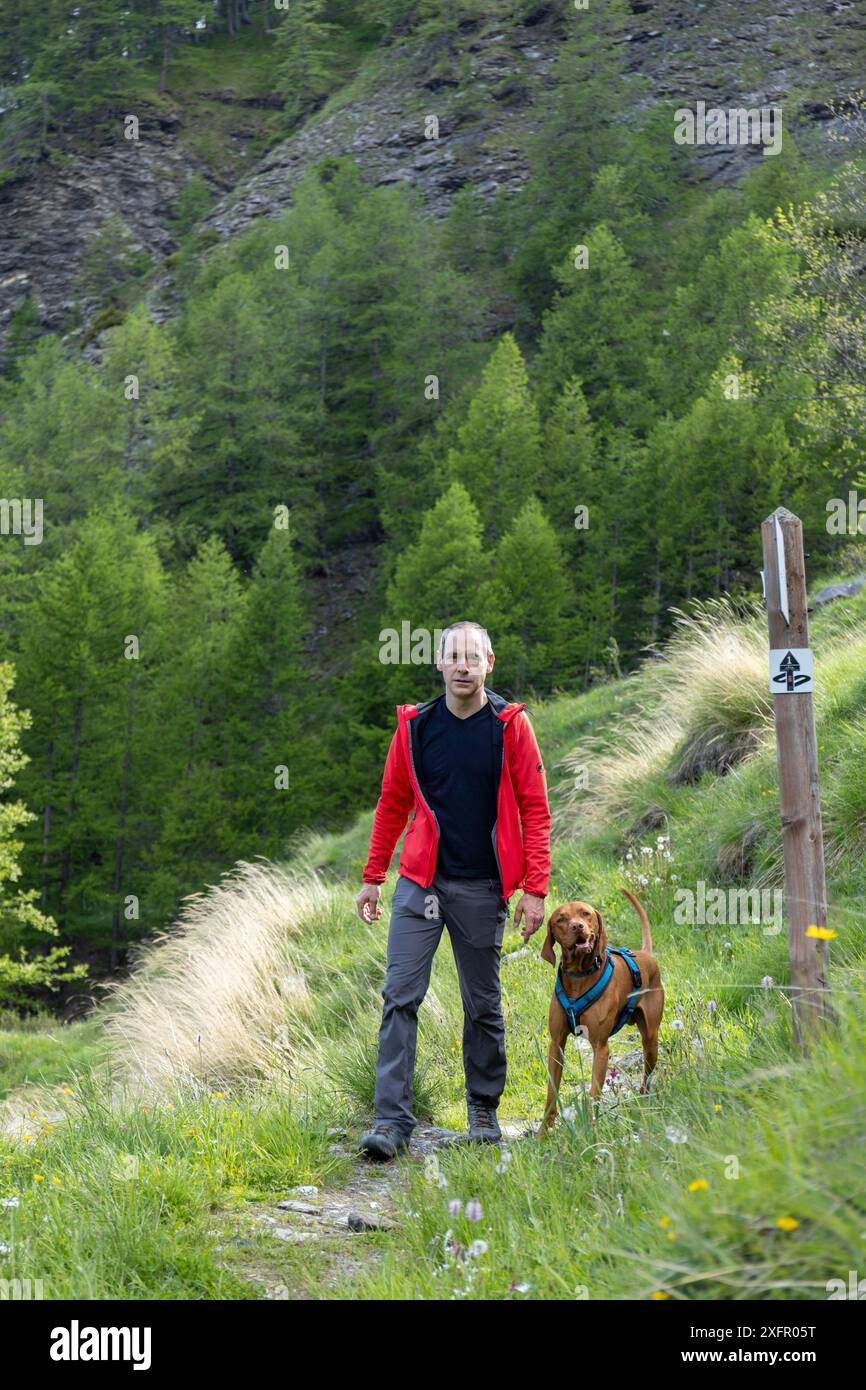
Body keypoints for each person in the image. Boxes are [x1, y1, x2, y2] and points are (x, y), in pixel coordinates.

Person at [355, 619, 551, 1160]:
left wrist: (535, 888)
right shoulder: (416, 727)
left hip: (483, 885)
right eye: (453, 657)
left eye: (473, 657)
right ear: (438, 664)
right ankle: (392, 1121)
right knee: (400, 997)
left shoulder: (509, 726)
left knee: (482, 1003)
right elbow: (392, 801)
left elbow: (535, 808)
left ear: (490, 663)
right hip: (421, 882)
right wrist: (373, 876)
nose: (463, 666)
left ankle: (483, 1110)